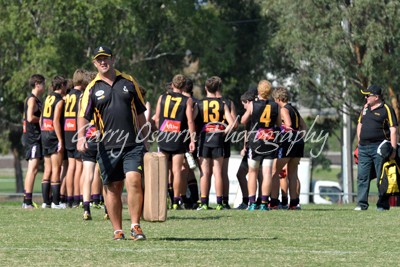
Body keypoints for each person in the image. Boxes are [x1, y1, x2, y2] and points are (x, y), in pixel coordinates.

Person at [78, 46, 148, 240]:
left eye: (106, 58)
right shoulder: (92, 88)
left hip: (132, 144)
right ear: (94, 63)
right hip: (107, 147)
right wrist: (82, 137)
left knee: (134, 180)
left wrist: (146, 140)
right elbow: (83, 116)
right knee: (113, 187)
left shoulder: (129, 81)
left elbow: (140, 112)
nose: (103, 62)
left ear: (113, 59)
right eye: (99, 59)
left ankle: (136, 226)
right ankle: (118, 230)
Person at [154, 74, 196, 210]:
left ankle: (162, 198)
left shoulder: (162, 97)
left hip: (164, 136)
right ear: (184, 87)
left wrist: (160, 131)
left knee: (163, 170)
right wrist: (192, 139)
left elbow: (156, 118)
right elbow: (190, 121)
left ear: (172, 85)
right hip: (178, 137)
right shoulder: (187, 100)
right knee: (177, 170)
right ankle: (176, 200)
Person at [355, 85, 398, 211]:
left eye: (368, 95)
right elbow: (360, 123)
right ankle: (361, 204)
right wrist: (359, 142)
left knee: (382, 177)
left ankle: (382, 205)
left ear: (376, 97)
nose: (365, 97)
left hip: (379, 148)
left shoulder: (386, 109)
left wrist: (393, 149)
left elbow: (393, 129)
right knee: (362, 177)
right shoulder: (365, 108)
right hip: (363, 148)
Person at [241, 80, 281, 211]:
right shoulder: (275, 106)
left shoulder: (253, 104)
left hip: (256, 141)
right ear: (270, 92)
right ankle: (264, 203)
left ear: (259, 91)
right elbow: (279, 124)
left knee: (252, 172)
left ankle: (252, 203)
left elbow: (243, 120)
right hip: (270, 140)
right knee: (267, 172)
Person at [195, 76, 235, 210]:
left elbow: (193, 120)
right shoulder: (223, 103)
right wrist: (223, 132)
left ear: (206, 88)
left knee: (204, 173)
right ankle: (219, 203)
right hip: (218, 139)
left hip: (204, 139)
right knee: (218, 172)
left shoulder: (199, 103)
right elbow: (232, 123)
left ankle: (204, 203)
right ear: (218, 88)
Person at [270, 86, 307, 210]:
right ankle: (294, 203)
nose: (274, 102)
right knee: (292, 174)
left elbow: (289, 124)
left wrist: (279, 128)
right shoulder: (294, 109)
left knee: (274, 172)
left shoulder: (284, 109)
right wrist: (298, 136)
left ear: (279, 98)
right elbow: (304, 126)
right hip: (298, 142)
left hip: (288, 142)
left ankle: (274, 202)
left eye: (275, 99)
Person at [41, 76, 68, 209]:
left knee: (47, 169)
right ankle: (56, 202)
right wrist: (60, 140)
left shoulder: (48, 97)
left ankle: (45, 202)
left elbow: (42, 116)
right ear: (62, 85)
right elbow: (56, 121)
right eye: (66, 85)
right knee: (56, 168)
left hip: (44, 134)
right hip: (53, 135)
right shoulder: (59, 101)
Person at [22, 74, 45, 209]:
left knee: (34, 169)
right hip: (33, 139)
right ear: (37, 84)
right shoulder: (32, 100)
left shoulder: (35, 99)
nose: (44, 86)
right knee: (33, 168)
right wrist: (42, 120)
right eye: (43, 83)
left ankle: (27, 200)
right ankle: (27, 201)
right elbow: (30, 118)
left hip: (35, 139)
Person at [64, 69, 86, 208]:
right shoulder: (80, 96)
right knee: (79, 167)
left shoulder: (69, 94)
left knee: (71, 167)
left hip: (67, 131)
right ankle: (77, 198)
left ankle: (69, 198)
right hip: (76, 132)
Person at [216, 84, 238, 209]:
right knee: (223, 172)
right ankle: (225, 201)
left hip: (208, 139)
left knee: (207, 173)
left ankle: (204, 202)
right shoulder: (229, 103)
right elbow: (234, 124)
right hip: (224, 139)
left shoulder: (204, 102)